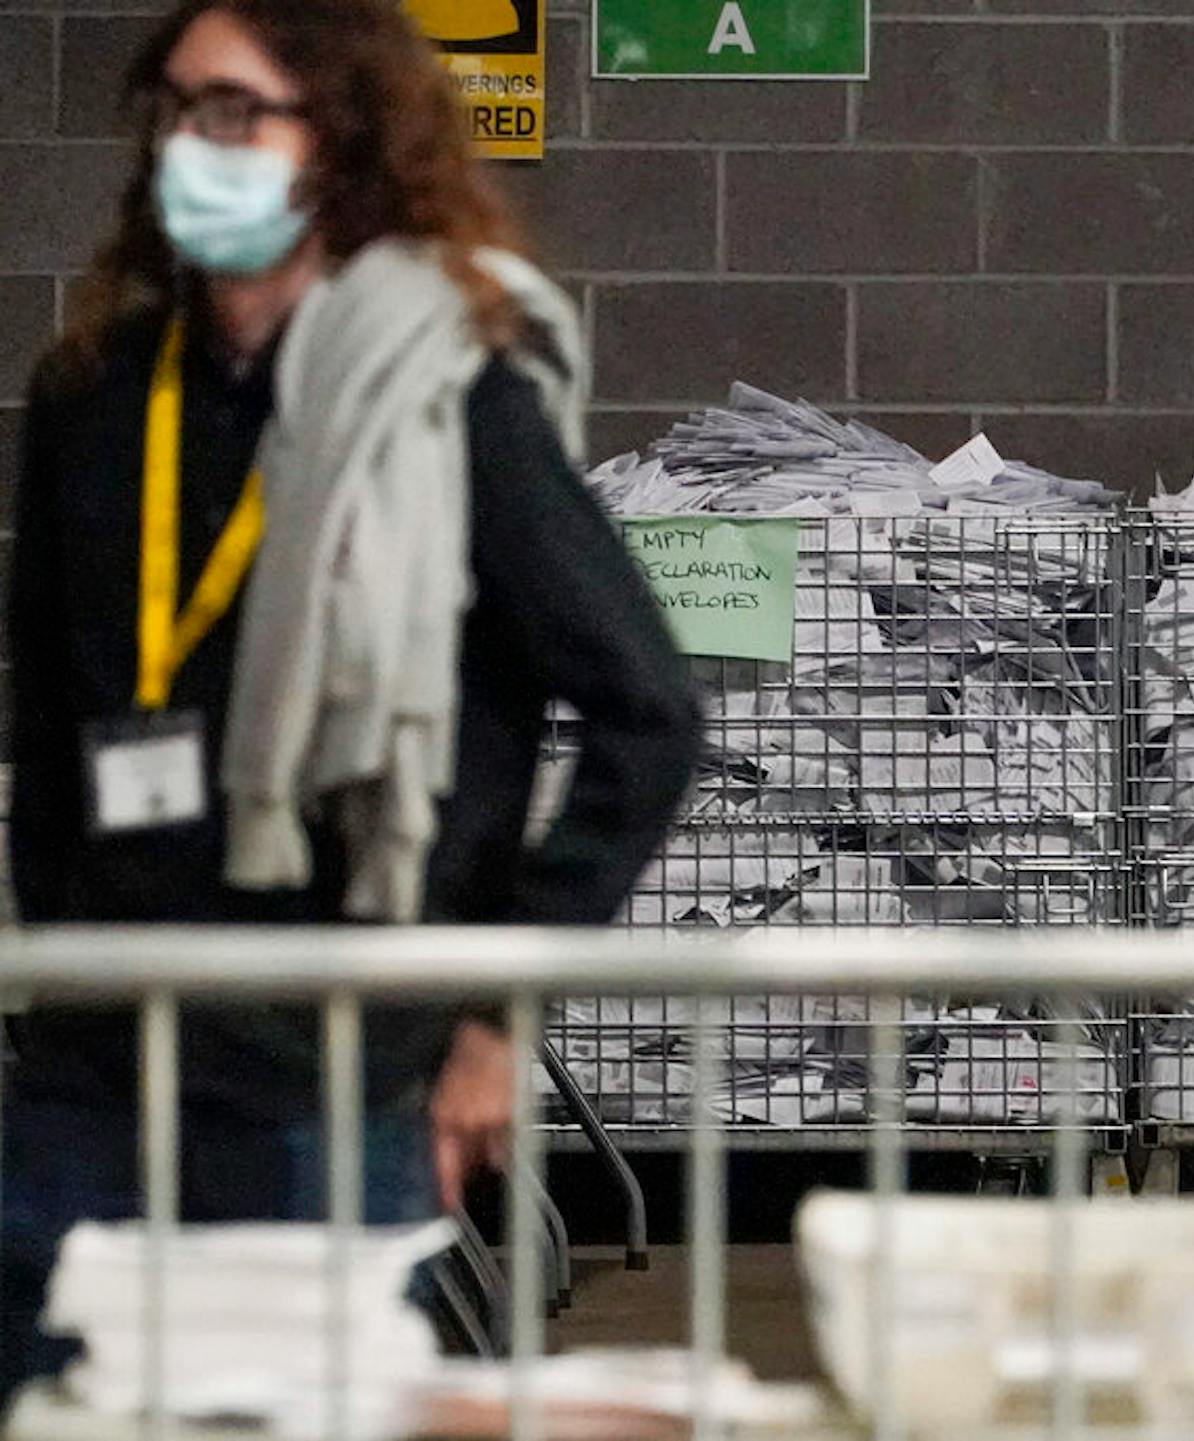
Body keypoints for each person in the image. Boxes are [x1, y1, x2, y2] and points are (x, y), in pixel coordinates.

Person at [3, 0, 700, 1399]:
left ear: (344, 143)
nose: (190, 144)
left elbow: (646, 711)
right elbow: (51, 722)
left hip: (331, 1059)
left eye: (234, 110)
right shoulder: (92, 395)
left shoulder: (453, 403)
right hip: (94, 1053)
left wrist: (497, 1014)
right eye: (174, 107)